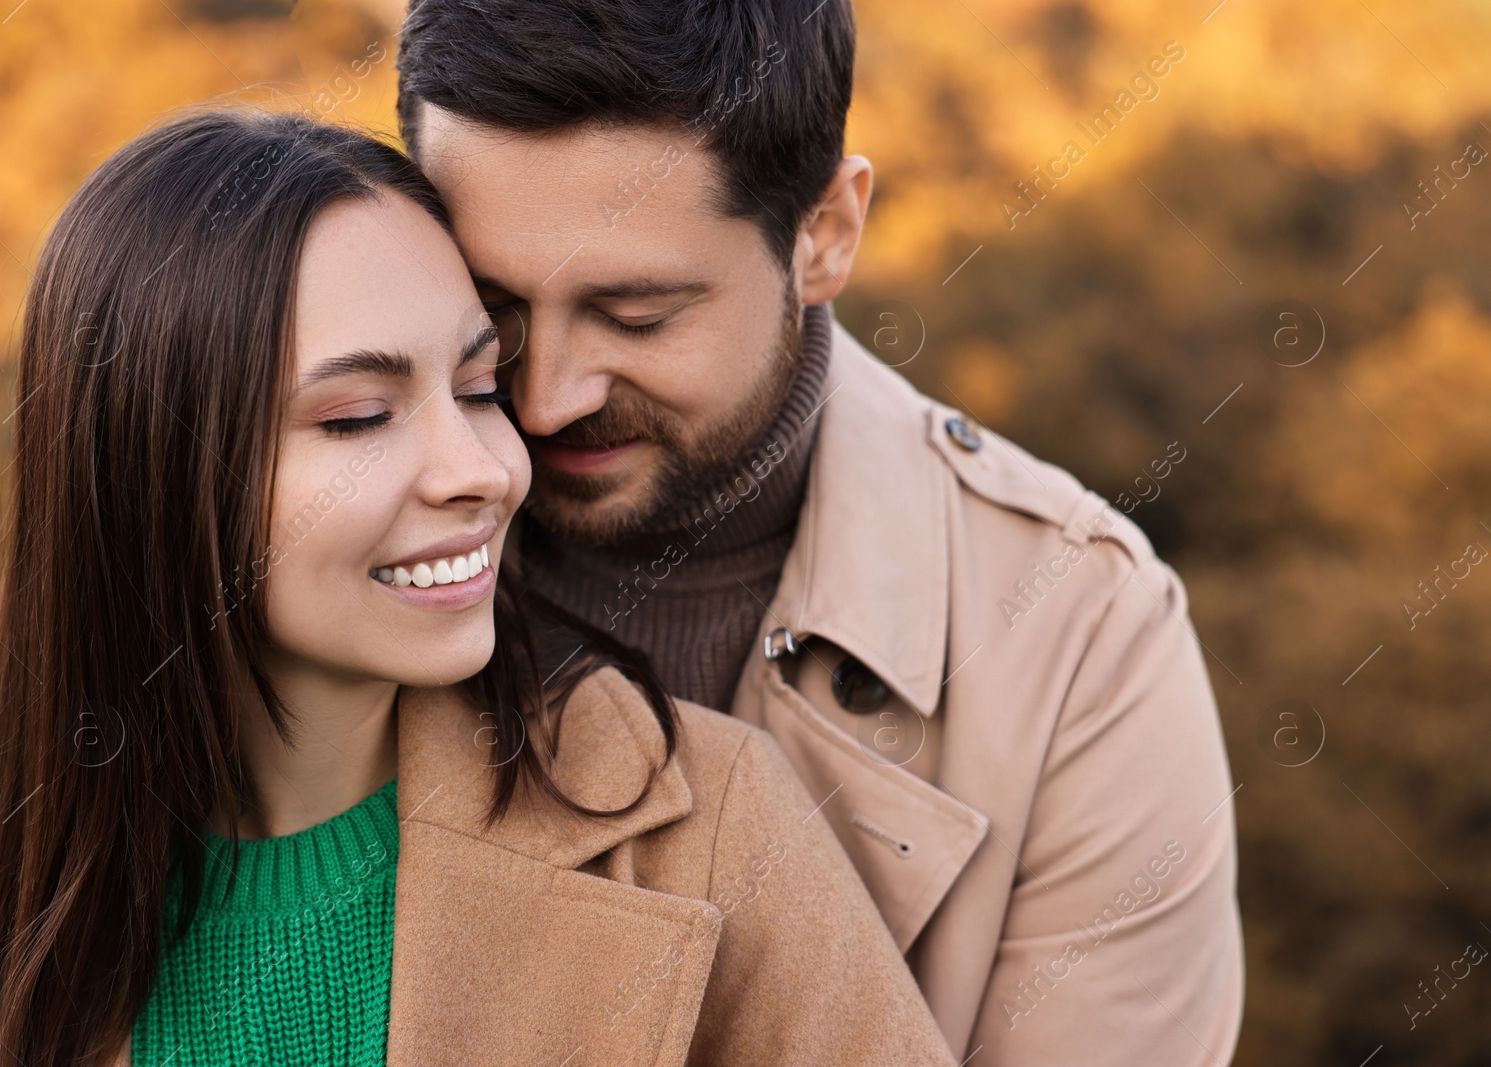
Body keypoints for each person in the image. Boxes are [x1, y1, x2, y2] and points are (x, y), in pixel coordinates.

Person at [0, 110, 960, 1067]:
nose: (485, 469)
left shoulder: (708, 828)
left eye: (478, 385)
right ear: (147, 477)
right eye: (358, 417)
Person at [395, 0, 1246, 1062]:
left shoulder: (1083, 638)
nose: (550, 394)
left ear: (824, 235)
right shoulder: (283, 545)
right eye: (493, 305)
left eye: (638, 314)